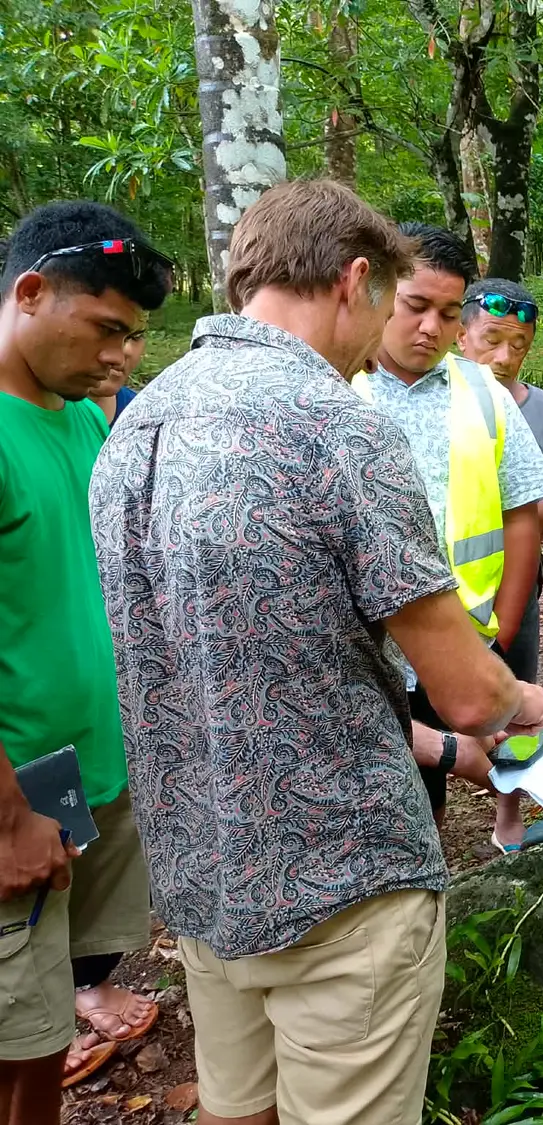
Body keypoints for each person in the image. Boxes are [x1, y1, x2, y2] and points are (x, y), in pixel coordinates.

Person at [90, 180, 543, 1125]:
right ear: (354, 281)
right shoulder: (338, 426)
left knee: (235, 1105)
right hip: (343, 883)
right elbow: (467, 692)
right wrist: (525, 705)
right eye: (390, 301)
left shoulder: (135, 422)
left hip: (206, 872)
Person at [0, 202, 171, 1121]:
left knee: (37, 1034)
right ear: (30, 294)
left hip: (82, 776)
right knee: (7, 1032)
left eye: (136, 336)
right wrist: (7, 820)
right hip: (15, 793)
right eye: (107, 328)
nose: (123, 356)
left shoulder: (77, 419)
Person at [356, 224, 543, 847]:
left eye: (447, 313)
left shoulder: (480, 392)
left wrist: (504, 621)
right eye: (415, 306)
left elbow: (526, 507)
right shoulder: (339, 383)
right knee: (393, 786)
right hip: (371, 645)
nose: (430, 329)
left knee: (465, 764)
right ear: (379, 291)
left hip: (463, 637)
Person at [459, 278, 543, 531]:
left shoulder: (542, 408)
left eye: (518, 346)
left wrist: (524, 515)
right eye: (492, 341)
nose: (504, 358)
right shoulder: (434, 401)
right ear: (461, 336)